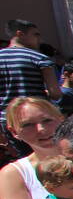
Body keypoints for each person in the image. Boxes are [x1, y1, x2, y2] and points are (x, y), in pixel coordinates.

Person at [1, 20, 60, 155]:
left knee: (25, 159)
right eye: (36, 34)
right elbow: (55, 93)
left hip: (9, 120)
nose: (39, 39)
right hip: (38, 118)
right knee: (49, 156)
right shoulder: (39, 58)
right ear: (20, 34)